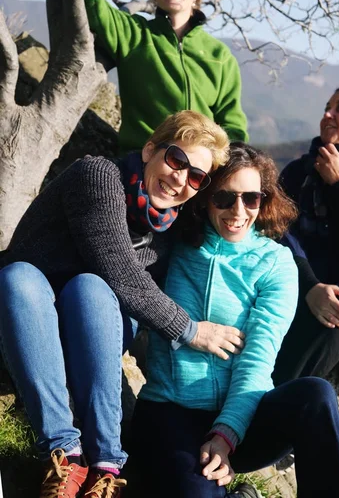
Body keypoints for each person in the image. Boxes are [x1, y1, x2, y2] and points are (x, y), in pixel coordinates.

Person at [0, 111, 245, 498]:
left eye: (195, 176)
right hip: (32, 311)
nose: (180, 178)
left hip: (97, 318)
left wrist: (309, 281)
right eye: (176, 160)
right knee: (19, 276)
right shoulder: (99, 176)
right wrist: (191, 330)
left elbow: (244, 224)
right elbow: (120, 272)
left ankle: (106, 467)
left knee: (89, 289)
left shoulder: (173, 225)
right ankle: (65, 458)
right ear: (150, 149)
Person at [125, 142, 339, 498]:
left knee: (316, 394)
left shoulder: (276, 263)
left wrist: (227, 433)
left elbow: (257, 359)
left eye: (251, 198)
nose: (238, 210)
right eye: (224, 198)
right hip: (172, 410)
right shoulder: (172, 246)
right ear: (204, 198)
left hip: (243, 416)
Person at [53, 0, 248, 153]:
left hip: (200, 174)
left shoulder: (219, 56)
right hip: (143, 165)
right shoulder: (134, 34)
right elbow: (93, 4)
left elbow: (232, 124)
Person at [272, 83, 339, 409]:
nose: (327, 114)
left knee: (338, 320)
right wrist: (311, 285)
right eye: (326, 107)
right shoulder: (298, 172)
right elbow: (278, 234)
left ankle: (271, 422)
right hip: (302, 286)